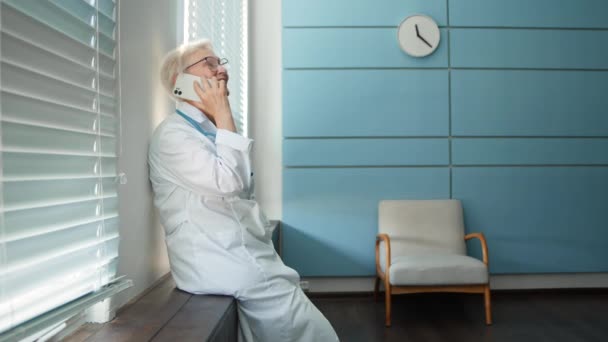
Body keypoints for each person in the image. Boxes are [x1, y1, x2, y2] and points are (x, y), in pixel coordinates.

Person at [148, 39, 339, 341]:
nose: (222, 69)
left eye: (220, 62)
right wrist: (223, 112)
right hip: (217, 259)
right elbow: (230, 182)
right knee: (313, 332)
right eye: (209, 63)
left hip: (240, 253)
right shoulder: (173, 136)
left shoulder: (209, 131)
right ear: (180, 82)